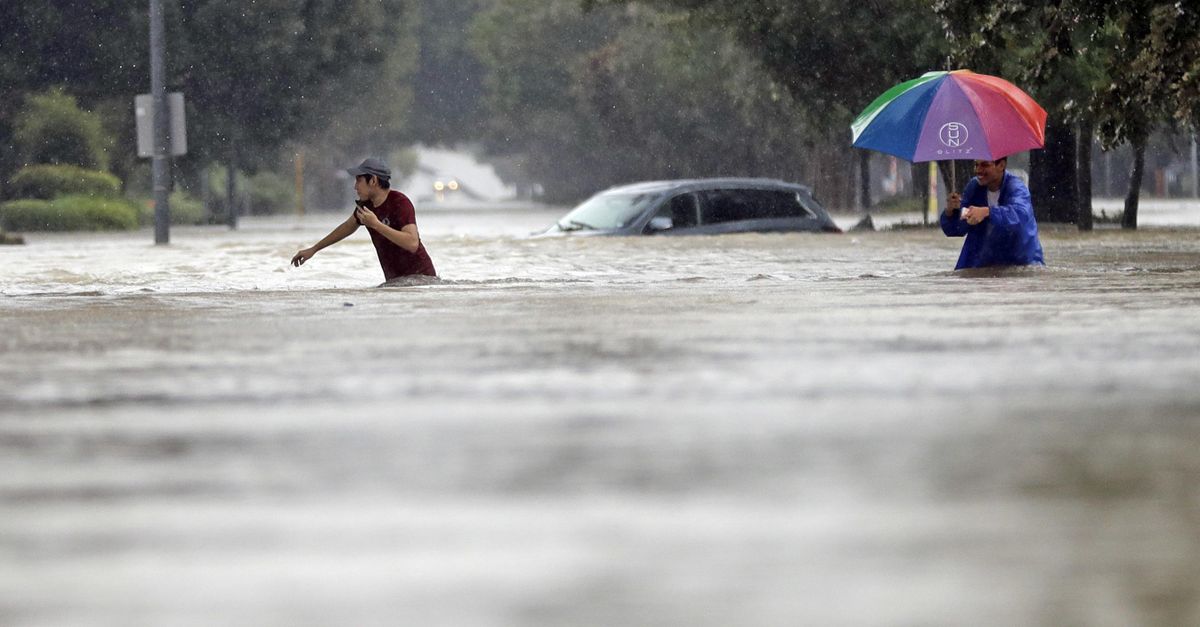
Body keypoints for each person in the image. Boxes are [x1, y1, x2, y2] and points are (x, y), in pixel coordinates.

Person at [291, 158, 436, 280]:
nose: (355, 187)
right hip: (395, 283)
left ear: (373, 180)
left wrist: (376, 225)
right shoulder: (365, 206)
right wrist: (314, 249)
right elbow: (346, 228)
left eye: (358, 180)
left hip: (421, 279)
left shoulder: (400, 202)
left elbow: (412, 243)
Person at [942, 157, 1044, 270]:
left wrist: (987, 212)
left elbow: (1020, 216)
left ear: (1001, 165)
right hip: (983, 264)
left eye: (985, 165)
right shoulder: (974, 187)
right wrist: (951, 212)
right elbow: (958, 229)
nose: (978, 170)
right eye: (976, 165)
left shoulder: (1016, 187)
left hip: (1021, 264)